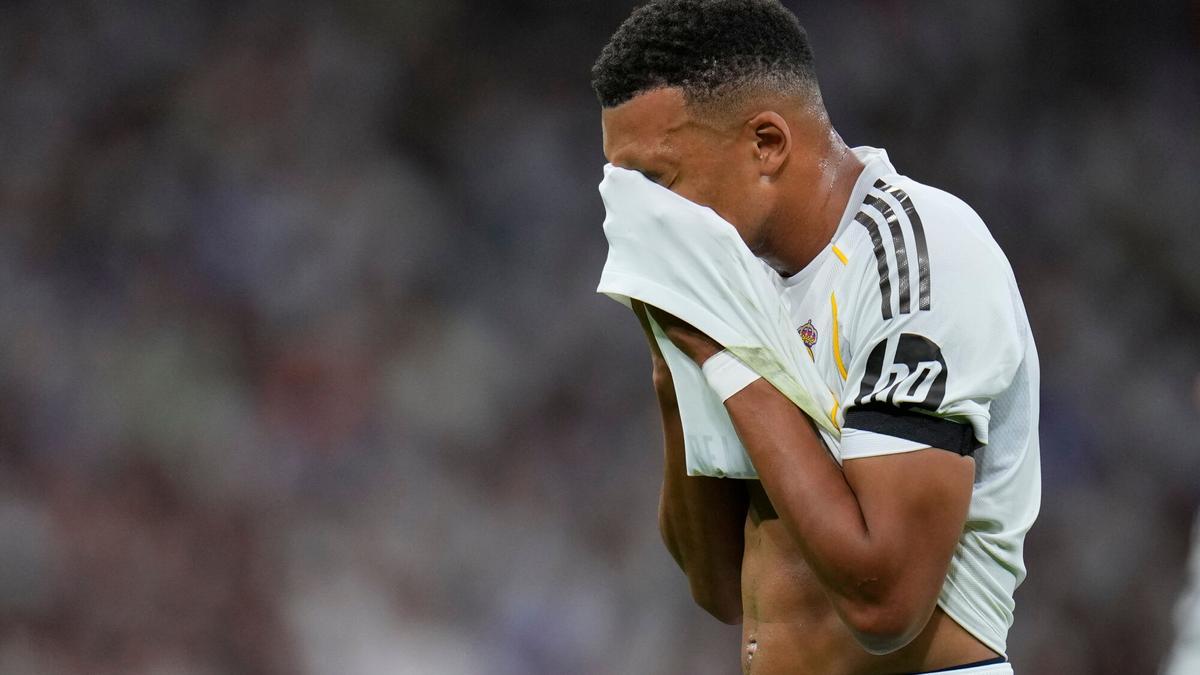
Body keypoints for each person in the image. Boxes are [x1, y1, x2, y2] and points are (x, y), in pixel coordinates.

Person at [591, 2, 1041, 673]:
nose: (643, 218)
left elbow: (884, 602)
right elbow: (719, 586)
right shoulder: (740, 278)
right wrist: (672, 362)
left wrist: (722, 356)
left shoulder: (917, 257)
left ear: (766, 144)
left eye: (657, 182)